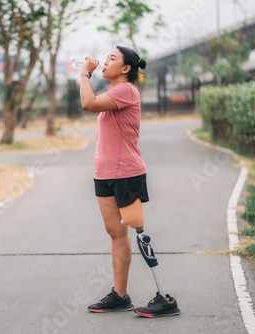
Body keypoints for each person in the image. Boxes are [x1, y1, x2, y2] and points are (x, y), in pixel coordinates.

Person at [80, 45, 148, 312]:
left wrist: (86, 74)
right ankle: (121, 296)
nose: (105, 62)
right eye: (106, 58)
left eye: (112, 58)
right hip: (105, 174)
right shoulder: (113, 93)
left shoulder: (126, 91)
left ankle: (163, 294)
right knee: (115, 233)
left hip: (126, 174)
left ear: (126, 68)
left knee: (138, 231)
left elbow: (87, 103)